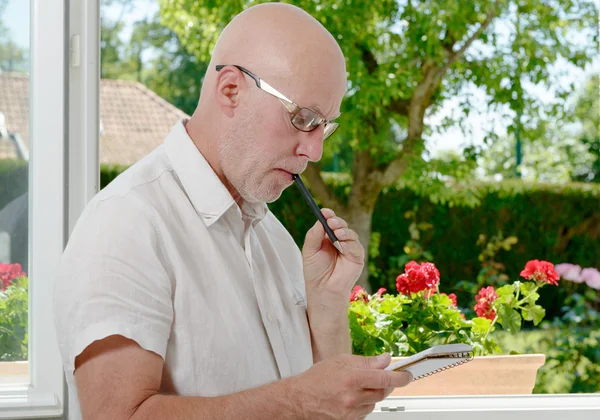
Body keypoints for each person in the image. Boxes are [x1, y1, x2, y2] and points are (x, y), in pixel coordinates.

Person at [53, 3, 412, 419]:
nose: (314, 151)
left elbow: (325, 407)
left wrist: (328, 305)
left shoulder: (272, 237)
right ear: (231, 91)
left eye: (324, 126)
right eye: (303, 118)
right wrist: (295, 402)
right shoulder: (126, 224)